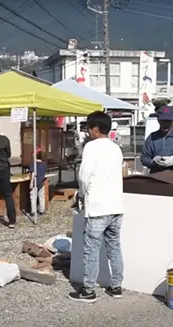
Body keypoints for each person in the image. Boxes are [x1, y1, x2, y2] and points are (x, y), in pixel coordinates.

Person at [69, 112, 124, 303]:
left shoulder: (91, 147)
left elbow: (84, 177)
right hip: (116, 206)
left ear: (96, 129)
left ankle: (89, 291)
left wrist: (82, 194)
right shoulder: (116, 148)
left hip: (98, 206)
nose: (87, 132)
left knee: (91, 249)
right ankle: (116, 286)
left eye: (88, 128)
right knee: (114, 247)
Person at [140, 105, 173, 175]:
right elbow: (144, 158)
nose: (166, 124)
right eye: (163, 121)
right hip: (155, 179)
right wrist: (153, 161)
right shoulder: (152, 137)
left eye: (168, 121)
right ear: (158, 120)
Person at [28, 146, 47, 216]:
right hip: (41, 182)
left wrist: (31, 183)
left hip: (35, 182)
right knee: (41, 196)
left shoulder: (33, 163)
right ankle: (42, 210)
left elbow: (33, 173)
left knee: (33, 196)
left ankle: (33, 211)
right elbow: (44, 173)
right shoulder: (44, 164)